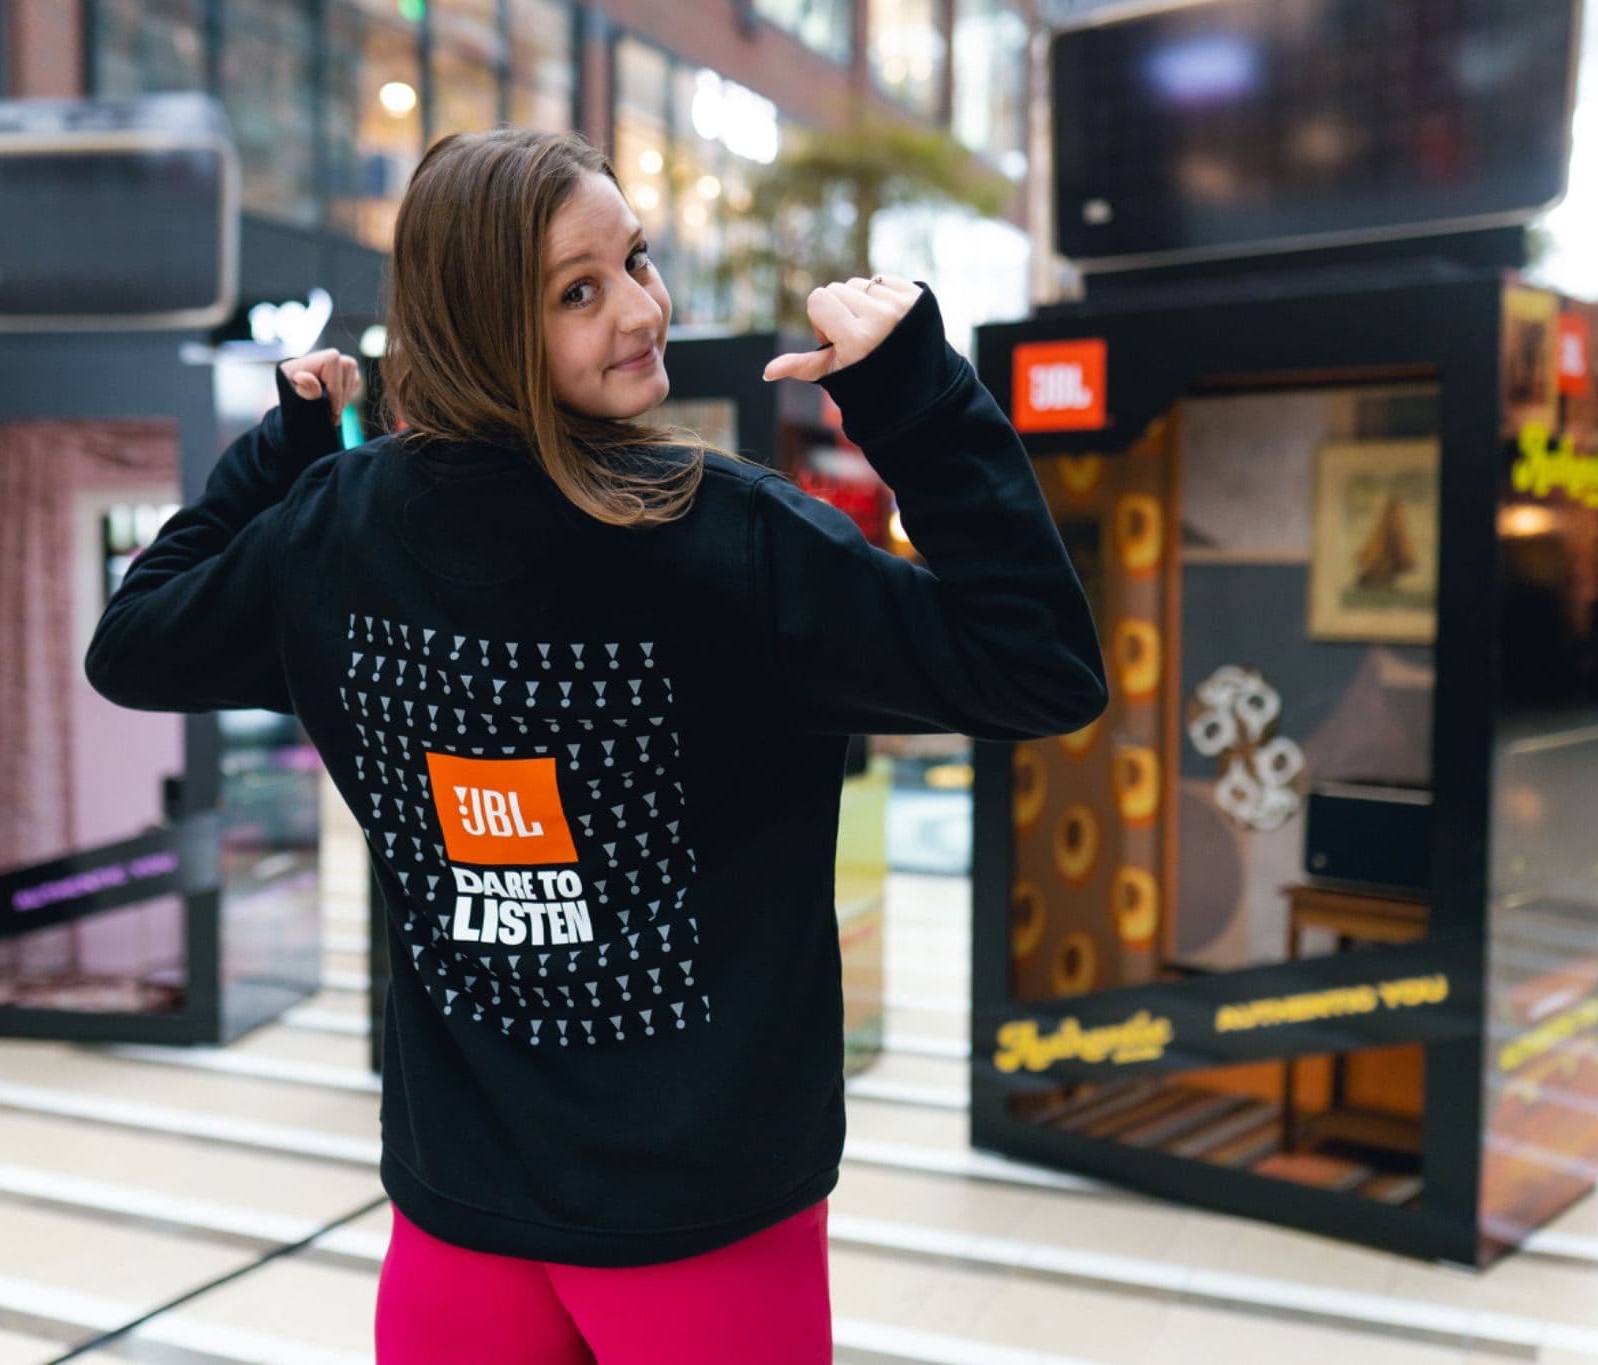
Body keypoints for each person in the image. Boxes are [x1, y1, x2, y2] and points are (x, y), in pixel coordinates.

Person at [86, 128, 1105, 1364]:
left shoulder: (334, 530)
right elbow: (1039, 665)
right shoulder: (728, 540)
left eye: (635, 259)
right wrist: (917, 400)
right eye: (577, 292)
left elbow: (133, 642)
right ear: (479, 324)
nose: (639, 309)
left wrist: (281, 451)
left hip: (458, 1212)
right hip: (698, 1226)